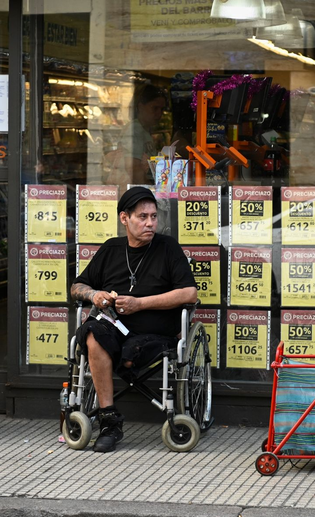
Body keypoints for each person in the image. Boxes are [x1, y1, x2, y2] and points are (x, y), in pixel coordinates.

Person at [70, 187, 197, 452]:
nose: (150, 223)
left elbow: (189, 293)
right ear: (124, 218)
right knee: (93, 333)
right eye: (142, 217)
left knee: (128, 352)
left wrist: (140, 304)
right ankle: (109, 420)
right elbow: (77, 286)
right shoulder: (111, 249)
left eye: (154, 216)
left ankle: (118, 370)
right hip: (114, 328)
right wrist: (95, 295)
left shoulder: (167, 248)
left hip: (156, 333)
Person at [106, 84, 167, 186]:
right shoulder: (135, 130)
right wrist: (150, 189)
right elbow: (134, 168)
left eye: (162, 109)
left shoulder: (144, 129)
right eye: (155, 108)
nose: (159, 113)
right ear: (140, 106)